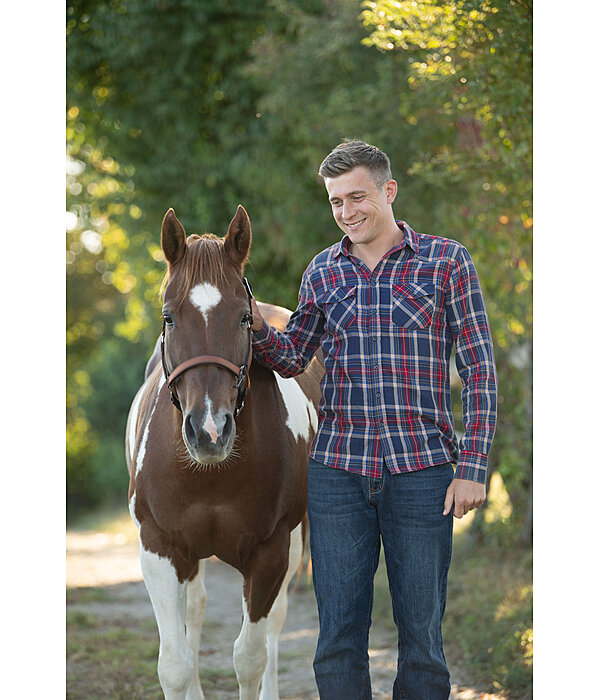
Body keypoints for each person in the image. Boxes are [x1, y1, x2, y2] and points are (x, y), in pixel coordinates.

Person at [249, 140, 497, 699]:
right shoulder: (321, 273)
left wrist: (473, 467)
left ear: (388, 191)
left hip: (423, 474)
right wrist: (251, 321)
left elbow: (479, 369)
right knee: (337, 637)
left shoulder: (446, 262)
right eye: (336, 201)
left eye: (357, 196)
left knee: (422, 640)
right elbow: (291, 357)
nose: (346, 211)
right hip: (337, 474)